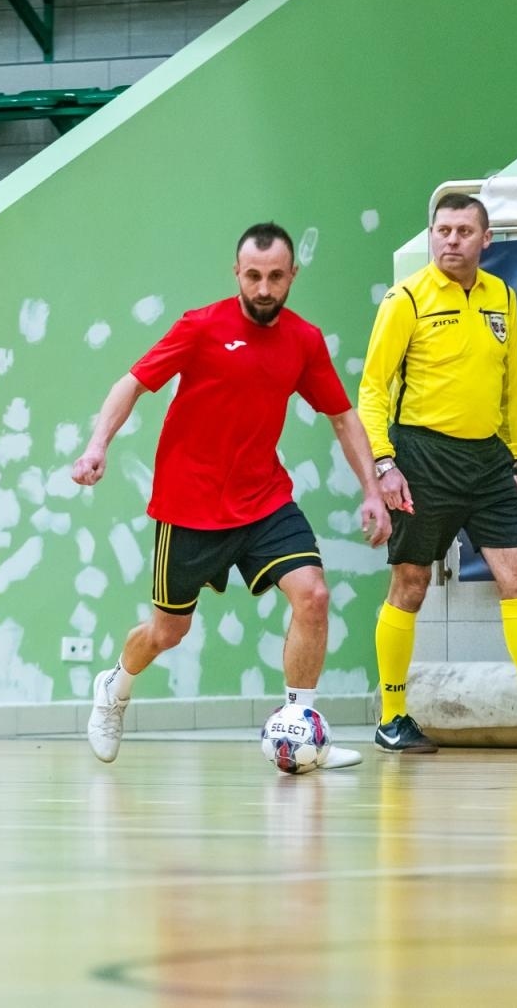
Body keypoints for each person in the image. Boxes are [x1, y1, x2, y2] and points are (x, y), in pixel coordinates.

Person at [72, 222, 389, 767]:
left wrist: (372, 490)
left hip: (264, 499)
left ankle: (298, 730)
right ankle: (114, 688)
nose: (263, 289)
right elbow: (132, 384)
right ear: (236, 273)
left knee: (312, 595)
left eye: (275, 277)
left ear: (293, 275)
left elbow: (341, 416)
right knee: (167, 632)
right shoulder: (200, 327)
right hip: (188, 506)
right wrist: (97, 444)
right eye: (252, 276)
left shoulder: (304, 340)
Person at [358, 193, 517, 754]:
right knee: (411, 583)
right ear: (431, 236)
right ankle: (392, 716)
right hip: (421, 457)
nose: (452, 240)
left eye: (464, 231)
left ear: (486, 240)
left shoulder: (502, 295)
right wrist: (384, 464)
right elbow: (372, 389)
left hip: (489, 460)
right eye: (443, 230)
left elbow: (511, 385)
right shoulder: (406, 300)